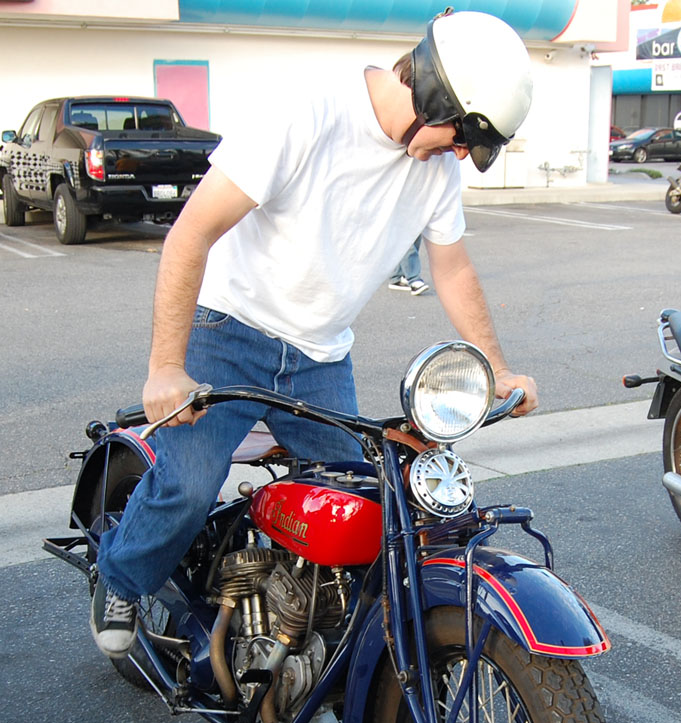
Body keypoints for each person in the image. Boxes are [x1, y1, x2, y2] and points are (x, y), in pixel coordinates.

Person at [90, 8, 538, 655]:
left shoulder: (435, 170)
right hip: (226, 329)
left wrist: (496, 368)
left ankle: (293, 624)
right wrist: (165, 366)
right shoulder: (307, 112)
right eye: (464, 134)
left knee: (357, 505)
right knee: (189, 486)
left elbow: (453, 267)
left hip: (319, 357)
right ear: (433, 94)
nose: (463, 153)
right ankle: (121, 577)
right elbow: (191, 233)